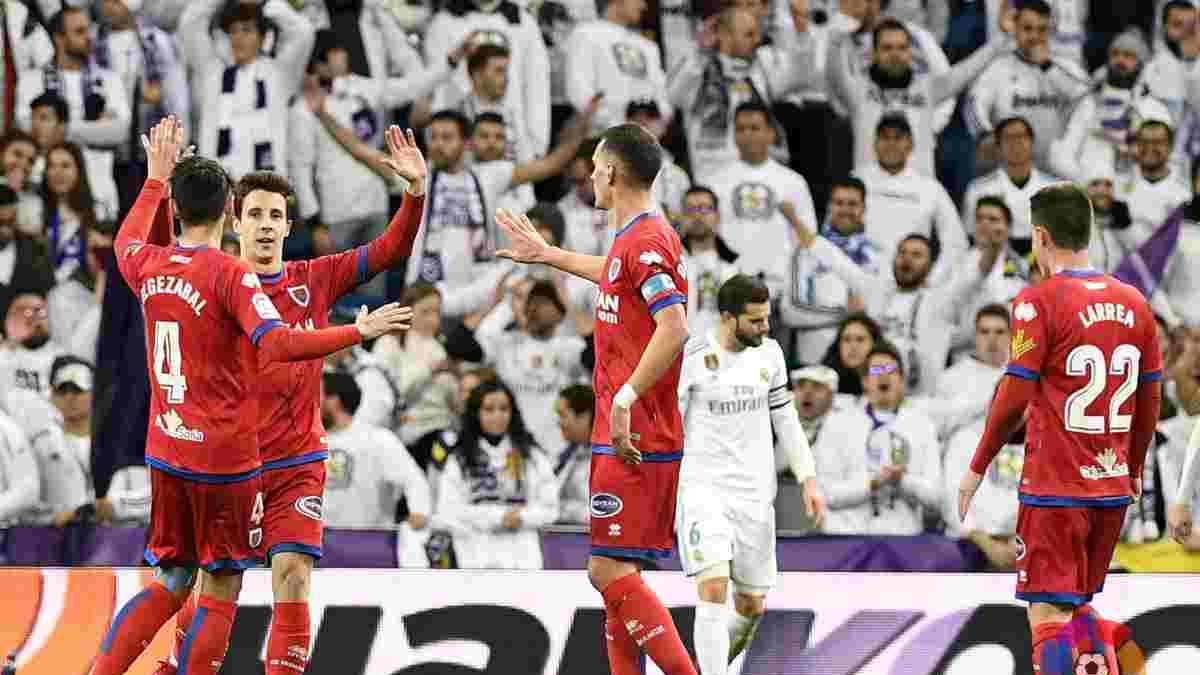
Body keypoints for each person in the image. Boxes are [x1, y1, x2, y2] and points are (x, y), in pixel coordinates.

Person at [93, 116, 413, 675]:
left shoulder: (314, 277)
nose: (265, 226)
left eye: (276, 216)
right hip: (233, 461)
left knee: (289, 574)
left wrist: (415, 193)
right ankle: (177, 664)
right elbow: (280, 344)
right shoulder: (223, 279)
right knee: (210, 589)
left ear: (288, 226)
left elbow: (390, 249)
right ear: (233, 219)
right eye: (255, 214)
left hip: (289, 462)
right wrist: (355, 333)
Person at [494, 123, 696, 674]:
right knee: (619, 575)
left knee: (606, 571)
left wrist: (628, 398)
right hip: (631, 425)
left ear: (610, 172)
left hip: (635, 428)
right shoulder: (637, 237)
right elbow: (615, 277)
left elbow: (674, 326)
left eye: (595, 166)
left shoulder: (647, 240)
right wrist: (548, 255)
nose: (589, 175)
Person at [959, 183, 1161, 675]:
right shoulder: (1134, 302)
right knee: (1077, 604)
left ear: (1040, 236)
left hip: (1055, 489)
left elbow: (1014, 393)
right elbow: (1149, 396)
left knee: (1048, 615)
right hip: (1110, 487)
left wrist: (977, 466)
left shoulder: (1039, 300)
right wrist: (1133, 466)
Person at [676, 274, 824, 674]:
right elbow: (668, 428)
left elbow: (786, 419)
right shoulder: (693, 358)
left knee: (751, 607)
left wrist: (808, 478)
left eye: (767, 318)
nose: (766, 328)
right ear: (728, 318)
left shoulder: (770, 354)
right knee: (712, 587)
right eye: (756, 321)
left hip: (755, 496)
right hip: (703, 489)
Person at [435, 379, 559, 569]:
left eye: (503, 409)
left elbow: (550, 508)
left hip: (523, 558)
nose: (497, 416)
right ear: (477, 413)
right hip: (475, 557)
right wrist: (496, 517)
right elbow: (447, 511)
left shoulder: (531, 455)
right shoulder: (459, 458)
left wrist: (523, 517)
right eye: (489, 409)